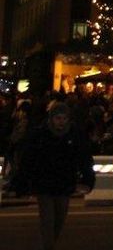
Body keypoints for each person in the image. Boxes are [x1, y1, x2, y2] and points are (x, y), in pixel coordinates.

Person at [13, 101, 95, 250]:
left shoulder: (74, 135)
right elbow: (28, 159)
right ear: (51, 118)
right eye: (58, 118)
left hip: (64, 183)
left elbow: (84, 158)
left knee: (59, 220)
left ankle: (47, 243)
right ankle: (48, 246)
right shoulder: (40, 134)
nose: (61, 122)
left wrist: (87, 179)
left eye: (64, 119)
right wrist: (22, 181)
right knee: (47, 220)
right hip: (44, 184)